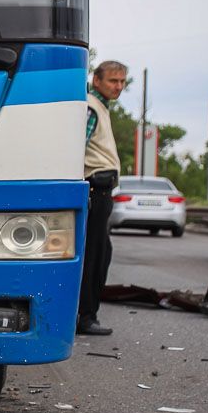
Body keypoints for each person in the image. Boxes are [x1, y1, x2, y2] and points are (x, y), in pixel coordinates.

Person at [77, 60, 125, 336]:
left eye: (121, 82)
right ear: (97, 81)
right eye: (112, 81)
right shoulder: (91, 107)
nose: (117, 86)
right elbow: (77, 147)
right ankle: (86, 317)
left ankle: (87, 314)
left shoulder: (99, 107)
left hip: (101, 189)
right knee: (94, 255)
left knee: (101, 253)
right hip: (95, 188)